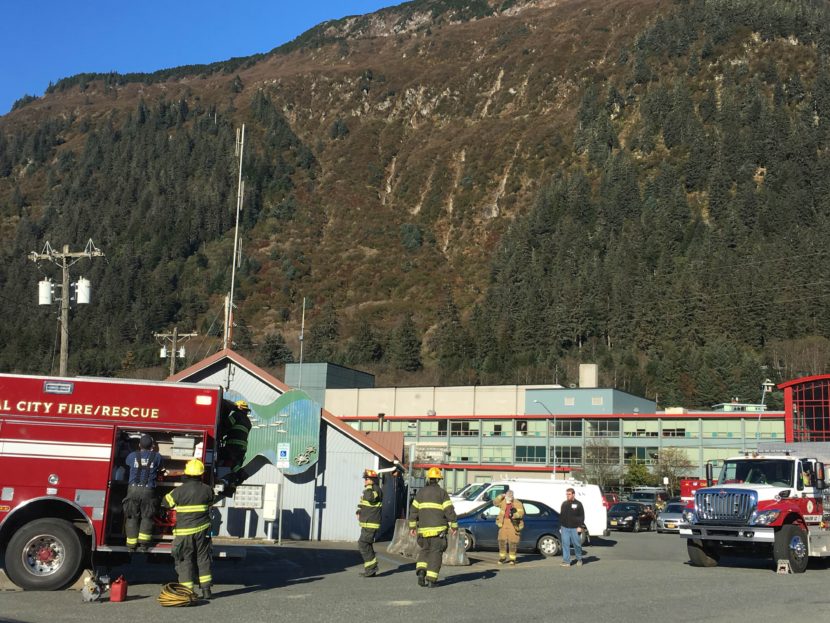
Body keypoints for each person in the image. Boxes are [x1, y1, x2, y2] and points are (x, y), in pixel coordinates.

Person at [162, 458, 216, 600]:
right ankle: (206, 590)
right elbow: (212, 501)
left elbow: (165, 503)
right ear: (201, 474)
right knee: (203, 558)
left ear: (186, 474)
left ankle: (187, 593)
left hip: (184, 533)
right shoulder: (208, 490)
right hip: (203, 531)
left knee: (184, 560)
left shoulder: (178, 491)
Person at [409, 467, 458, 587]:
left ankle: (421, 571)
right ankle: (431, 579)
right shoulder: (442, 493)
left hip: (423, 531)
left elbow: (413, 510)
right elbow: (449, 511)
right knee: (435, 553)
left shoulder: (421, 493)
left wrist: (412, 527)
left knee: (424, 550)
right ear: (438, 479)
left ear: (428, 478)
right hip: (438, 531)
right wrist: (454, 525)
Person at [123, 434, 163, 552]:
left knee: (131, 517)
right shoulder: (157, 457)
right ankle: (143, 546)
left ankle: (131, 546)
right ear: (153, 446)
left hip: (133, 490)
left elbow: (127, 464)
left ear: (139, 445)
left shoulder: (131, 456)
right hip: (148, 491)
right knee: (147, 517)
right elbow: (160, 467)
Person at [217, 399, 253, 490]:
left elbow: (227, 424)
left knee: (226, 461)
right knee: (234, 465)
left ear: (239, 408)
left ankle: (239, 475)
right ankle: (233, 482)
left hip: (233, 445)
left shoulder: (236, 415)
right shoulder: (248, 422)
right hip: (242, 448)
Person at [356, 468, 383, 577]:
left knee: (363, 544)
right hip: (366, 522)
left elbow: (370, 498)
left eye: (366, 479)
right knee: (366, 544)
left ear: (372, 480)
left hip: (371, 523)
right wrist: (358, 511)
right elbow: (364, 503)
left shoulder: (375, 490)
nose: (365, 481)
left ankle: (372, 568)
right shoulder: (370, 489)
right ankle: (371, 568)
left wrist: (368, 487)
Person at [493, 490, 525, 565]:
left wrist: (514, 514)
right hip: (503, 523)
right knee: (502, 541)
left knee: (513, 542)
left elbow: (521, 514)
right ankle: (502, 558)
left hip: (513, 523)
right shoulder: (503, 502)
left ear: (513, 496)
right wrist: (501, 495)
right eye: (508, 495)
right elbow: (495, 502)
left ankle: (512, 559)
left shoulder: (518, 503)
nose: (510, 497)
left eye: (511, 495)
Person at [559, 487, 585, 567]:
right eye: (567, 494)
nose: (567, 496)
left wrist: (580, 526)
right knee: (565, 544)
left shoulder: (578, 504)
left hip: (575, 528)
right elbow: (561, 515)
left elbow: (582, 516)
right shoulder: (564, 504)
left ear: (573, 494)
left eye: (569, 494)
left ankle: (579, 559)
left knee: (576, 544)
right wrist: (561, 526)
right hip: (565, 528)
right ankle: (567, 561)